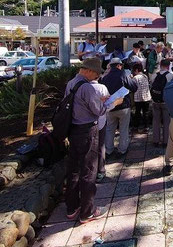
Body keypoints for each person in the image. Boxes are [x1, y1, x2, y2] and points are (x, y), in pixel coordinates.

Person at [65, 58, 123, 223]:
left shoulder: (71, 84)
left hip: (73, 130)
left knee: (74, 170)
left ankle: (72, 207)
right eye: (96, 73)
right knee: (89, 171)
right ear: (89, 71)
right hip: (87, 131)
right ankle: (87, 211)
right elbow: (98, 111)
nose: (97, 76)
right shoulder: (88, 87)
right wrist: (114, 103)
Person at [100, 58, 138, 159]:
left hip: (110, 107)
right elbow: (134, 87)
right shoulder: (123, 74)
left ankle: (109, 150)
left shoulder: (105, 77)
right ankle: (122, 150)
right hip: (123, 106)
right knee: (124, 129)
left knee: (109, 129)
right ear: (119, 65)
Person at [89, 79, 111, 183]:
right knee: (100, 145)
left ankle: (89, 171)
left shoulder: (80, 87)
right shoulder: (102, 87)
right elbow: (108, 105)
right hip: (100, 120)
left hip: (83, 122)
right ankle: (100, 171)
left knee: (89, 147)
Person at [151, 59, 173, 147]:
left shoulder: (154, 75)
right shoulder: (170, 75)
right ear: (168, 66)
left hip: (155, 100)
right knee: (166, 121)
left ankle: (155, 140)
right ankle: (165, 141)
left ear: (160, 65)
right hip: (165, 101)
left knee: (156, 121)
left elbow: (152, 84)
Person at [131, 63, 152, 132]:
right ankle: (146, 127)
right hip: (147, 97)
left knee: (137, 113)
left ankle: (136, 127)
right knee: (146, 112)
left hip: (138, 98)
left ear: (136, 70)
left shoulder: (135, 78)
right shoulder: (145, 76)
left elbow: (132, 87)